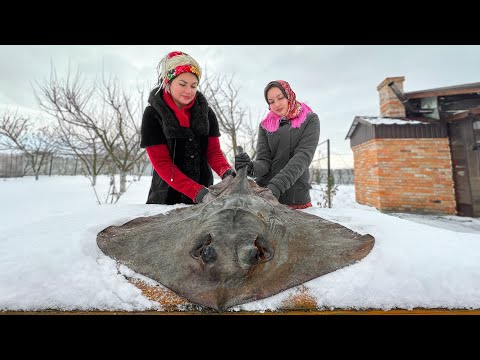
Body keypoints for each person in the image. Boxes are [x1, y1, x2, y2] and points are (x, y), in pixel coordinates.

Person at [140, 51, 234, 205]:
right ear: (168, 82)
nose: (189, 91)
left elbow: (214, 152)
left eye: (194, 85)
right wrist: (196, 192)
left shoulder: (207, 113)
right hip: (166, 198)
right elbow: (162, 164)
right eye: (182, 84)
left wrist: (227, 173)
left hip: (205, 195)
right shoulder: (152, 115)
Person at [235, 80, 320, 209]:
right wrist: (249, 166)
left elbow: (302, 157)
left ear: (289, 95)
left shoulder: (310, 120)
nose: (277, 104)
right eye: (271, 101)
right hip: (265, 198)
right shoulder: (265, 126)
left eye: (280, 98)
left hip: (295, 199)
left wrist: (275, 187)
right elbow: (264, 162)